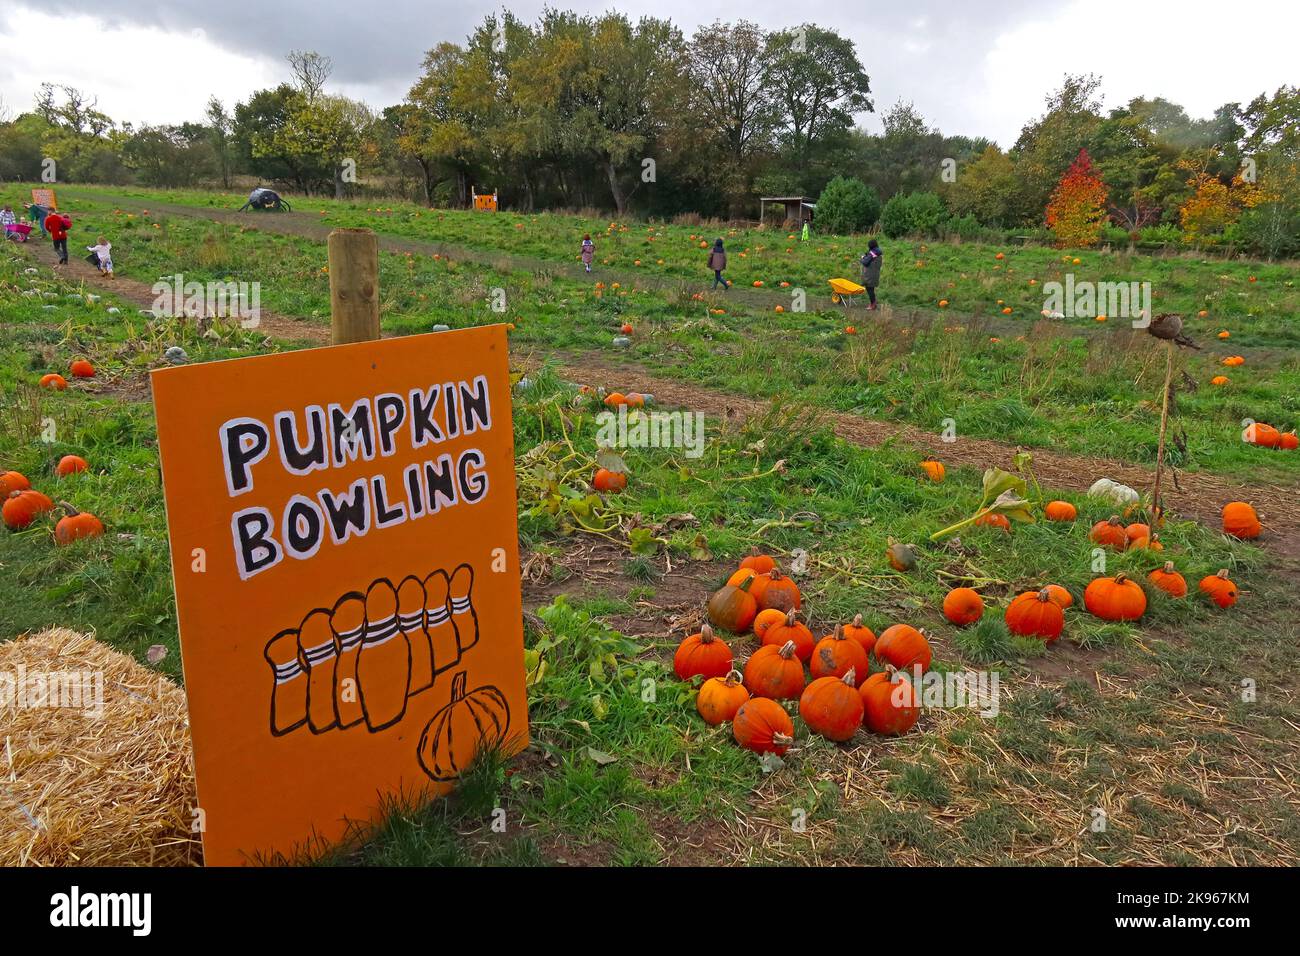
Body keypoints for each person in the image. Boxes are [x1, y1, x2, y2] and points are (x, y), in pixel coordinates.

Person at [860, 239, 883, 310]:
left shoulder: (872, 253)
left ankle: (873, 304)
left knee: (869, 289)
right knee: (871, 289)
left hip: (870, 274)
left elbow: (865, 262)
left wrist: (862, 258)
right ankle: (873, 303)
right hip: (875, 273)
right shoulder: (878, 252)